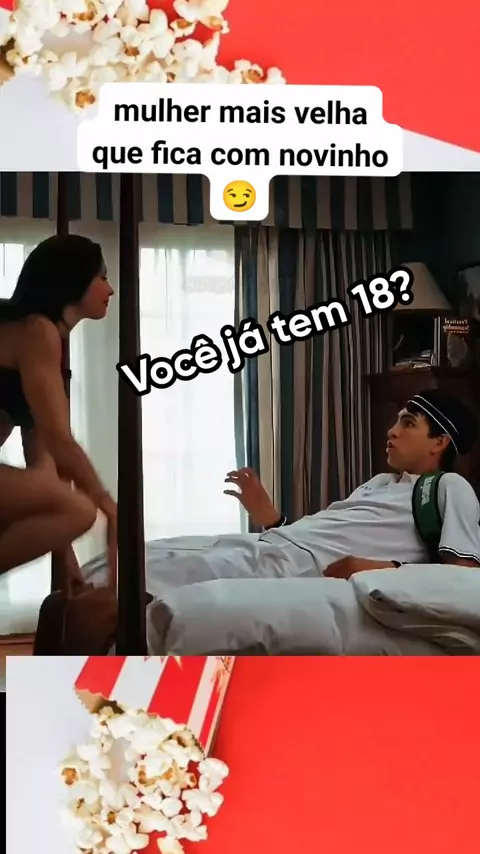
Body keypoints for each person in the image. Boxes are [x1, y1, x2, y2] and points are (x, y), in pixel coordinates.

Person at [140, 388, 480, 598]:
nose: (391, 431)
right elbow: (324, 536)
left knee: (148, 580)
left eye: (408, 423)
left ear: (439, 442)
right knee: (145, 556)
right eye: (397, 421)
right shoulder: (380, 483)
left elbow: (463, 578)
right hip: (270, 545)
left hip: (290, 566)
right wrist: (271, 517)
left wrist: (379, 567)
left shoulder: (449, 487)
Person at [0, 234, 117, 589]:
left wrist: (66, 559)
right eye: (102, 277)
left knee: (71, 506)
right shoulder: (36, 330)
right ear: (73, 279)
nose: (110, 290)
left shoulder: (43, 339)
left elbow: (46, 466)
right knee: (80, 508)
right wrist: (109, 506)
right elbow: (61, 441)